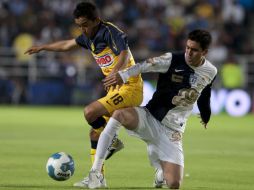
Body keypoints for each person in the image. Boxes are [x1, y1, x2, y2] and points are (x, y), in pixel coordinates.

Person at [24, 1, 143, 188]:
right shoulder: (88, 36)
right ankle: (98, 178)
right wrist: (43, 47)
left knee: (89, 112)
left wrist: (116, 72)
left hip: (130, 86)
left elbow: (124, 54)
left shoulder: (110, 31)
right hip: (115, 89)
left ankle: (112, 140)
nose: (83, 29)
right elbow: (67, 45)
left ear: (97, 20)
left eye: (85, 25)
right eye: (79, 25)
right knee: (95, 134)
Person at [86, 29, 217, 189]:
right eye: (187, 47)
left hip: (173, 132)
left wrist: (206, 114)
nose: (189, 52)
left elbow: (205, 93)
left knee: (174, 184)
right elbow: (144, 66)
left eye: (194, 50)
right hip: (149, 117)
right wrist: (124, 75)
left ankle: (161, 172)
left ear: (204, 52)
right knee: (119, 114)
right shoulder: (172, 59)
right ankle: (96, 173)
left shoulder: (211, 71)